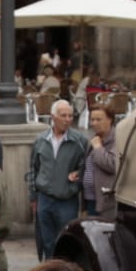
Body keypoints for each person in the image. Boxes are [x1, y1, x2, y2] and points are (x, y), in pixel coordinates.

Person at [27, 100, 83, 261]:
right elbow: (33, 169)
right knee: (47, 242)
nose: (67, 119)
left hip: (67, 200)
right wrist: (33, 197)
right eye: (63, 115)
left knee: (66, 240)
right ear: (53, 117)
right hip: (44, 199)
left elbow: (86, 168)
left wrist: (76, 177)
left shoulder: (79, 141)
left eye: (70, 116)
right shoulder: (41, 140)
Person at [82, 105, 116, 221]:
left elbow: (112, 164)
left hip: (106, 204)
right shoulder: (96, 138)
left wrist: (97, 147)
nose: (94, 123)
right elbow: (90, 165)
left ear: (110, 119)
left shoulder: (117, 139)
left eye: (98, 119)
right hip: (91, 199)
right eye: (92, 119)